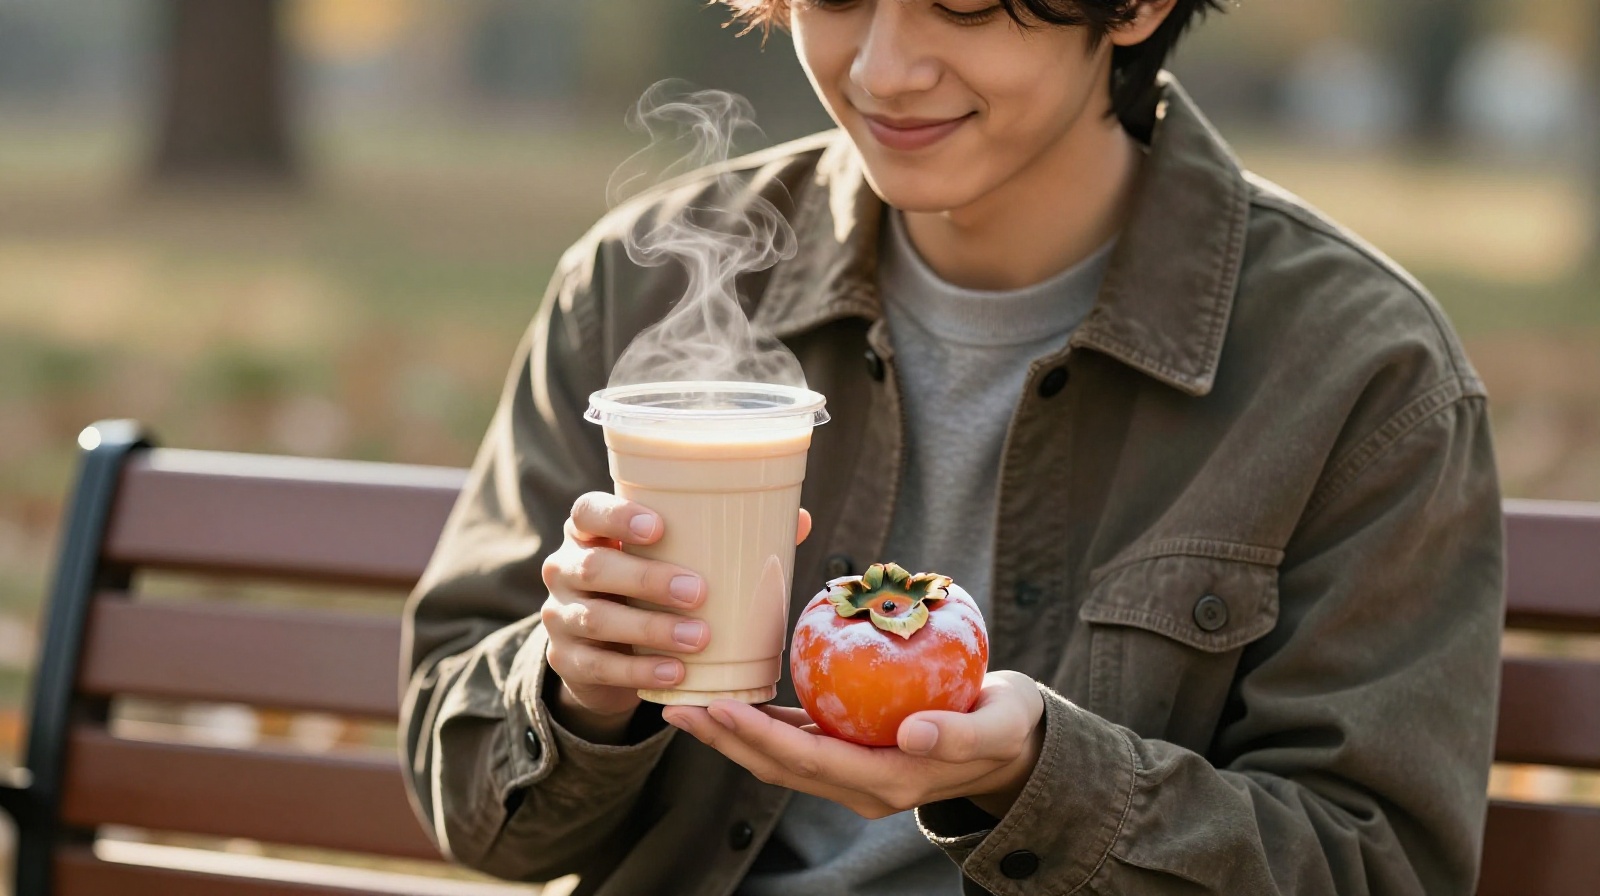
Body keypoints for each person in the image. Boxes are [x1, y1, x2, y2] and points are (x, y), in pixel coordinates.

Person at [399, 1, 1505, 894]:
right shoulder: (634, 291)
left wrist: (1044, 778)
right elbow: (482, 817)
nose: (882, 69)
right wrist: (577, 687)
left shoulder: (1356, 370)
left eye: (964, 4)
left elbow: (1373, 861)